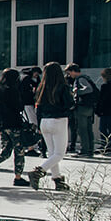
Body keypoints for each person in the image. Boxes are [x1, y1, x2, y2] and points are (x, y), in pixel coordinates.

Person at [27, 62, 74, 191]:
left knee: (52, 153)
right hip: (58, 120)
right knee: (59, 154)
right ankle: (38, 172)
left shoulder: (41, 88)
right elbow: (69, 104)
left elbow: (38, 108)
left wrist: (39, 125)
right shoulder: (62, 86)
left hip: (44, 122)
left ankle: (57, 179)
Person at [66, 63, 98, 157]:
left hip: (82, 108)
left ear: (73, 71)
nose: (69, 75)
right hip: (89, 107)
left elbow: (88, 89)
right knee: (88, 130)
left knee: (82, 130)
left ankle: (84, 150)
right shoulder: (86, 77)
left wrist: (76, 92)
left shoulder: (80, 79)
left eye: (69, 73)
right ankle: (90, 149)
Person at [20, 67, 44, 156]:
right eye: (36, 74)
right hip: (27, 104)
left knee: (32, 124)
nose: (36, 75)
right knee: (33, 124)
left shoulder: (29, 78)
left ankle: (32, 146)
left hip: (29, 104)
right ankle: (31, 147)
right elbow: (26, 92)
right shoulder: (26, 79)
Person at [98, 67, 111, 155]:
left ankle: (104, 144)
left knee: (102, 128)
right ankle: (110, 145)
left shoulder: (105, 86)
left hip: (105, 111)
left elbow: (102, 99)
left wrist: (98, 109)